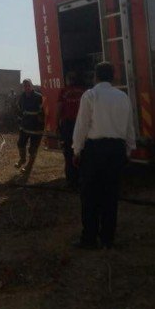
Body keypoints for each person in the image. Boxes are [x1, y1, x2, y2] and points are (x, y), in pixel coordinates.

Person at [72, 61, 136, 249]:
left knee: (90, 196)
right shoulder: (123, 97)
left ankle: (89, 239)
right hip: (116, 150)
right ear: (113, 77)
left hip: (94, 151)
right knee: (110, 195)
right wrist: (129, 150)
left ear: (95, 76)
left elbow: (81, 126)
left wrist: (77, 150)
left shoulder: (90, 95)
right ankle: (108, 238)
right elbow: (129, 126)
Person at [56, 72, 85, 188]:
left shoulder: (64, 91)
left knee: (68, 153)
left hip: (68, 125)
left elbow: (59, 108)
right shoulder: (84, 91)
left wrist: (56, 125)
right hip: (82, 125)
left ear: (68, 80)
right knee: (83, 151)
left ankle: (71, 181)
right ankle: (83, 178)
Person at [15, 79, 44, 174]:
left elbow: (43, 111)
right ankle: (22, 159)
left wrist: (40, 118)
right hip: (25, 125)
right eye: (24, 86)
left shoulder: (38, 97)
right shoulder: (22, 97)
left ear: (31, 86)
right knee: (20, 143)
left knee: (32, 148)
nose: (26, 87)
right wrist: (20, 120)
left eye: (28, 85)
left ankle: (29, 166)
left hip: (36, 127)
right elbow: (19, 110)